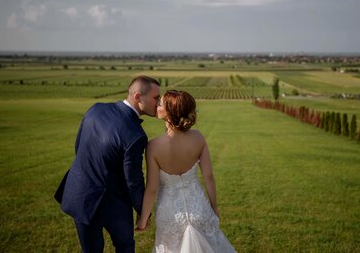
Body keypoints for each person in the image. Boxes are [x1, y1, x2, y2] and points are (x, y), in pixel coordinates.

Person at [54, 75, 160, 253]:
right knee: (125, 247)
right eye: (156, 98)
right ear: (137, 97)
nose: (158, 103)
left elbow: (79, 147)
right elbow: (133, 181)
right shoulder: (135, 134)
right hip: (113, 205)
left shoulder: (95, 109)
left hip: (80, 194)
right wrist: (143, 211)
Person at [136, 90, 236, 252]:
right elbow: (208, 176)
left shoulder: (153, 146)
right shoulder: (198, 138)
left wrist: (143, 219)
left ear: (170, 114)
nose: (157, 105)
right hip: (200, 210)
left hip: (169, 216)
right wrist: (214, 206)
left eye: (160, 103)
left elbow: (152, 189)